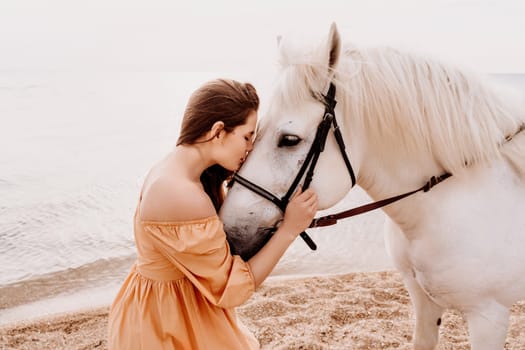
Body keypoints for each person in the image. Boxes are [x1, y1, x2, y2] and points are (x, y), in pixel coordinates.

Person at [107, 78, 318, 349]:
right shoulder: (180, 193)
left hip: (176, 305)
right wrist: (290, 229)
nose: (250, 148)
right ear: (218, 131)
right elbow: (234, 288)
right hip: (163, 324)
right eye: (247, 136)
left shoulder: (184, 172)